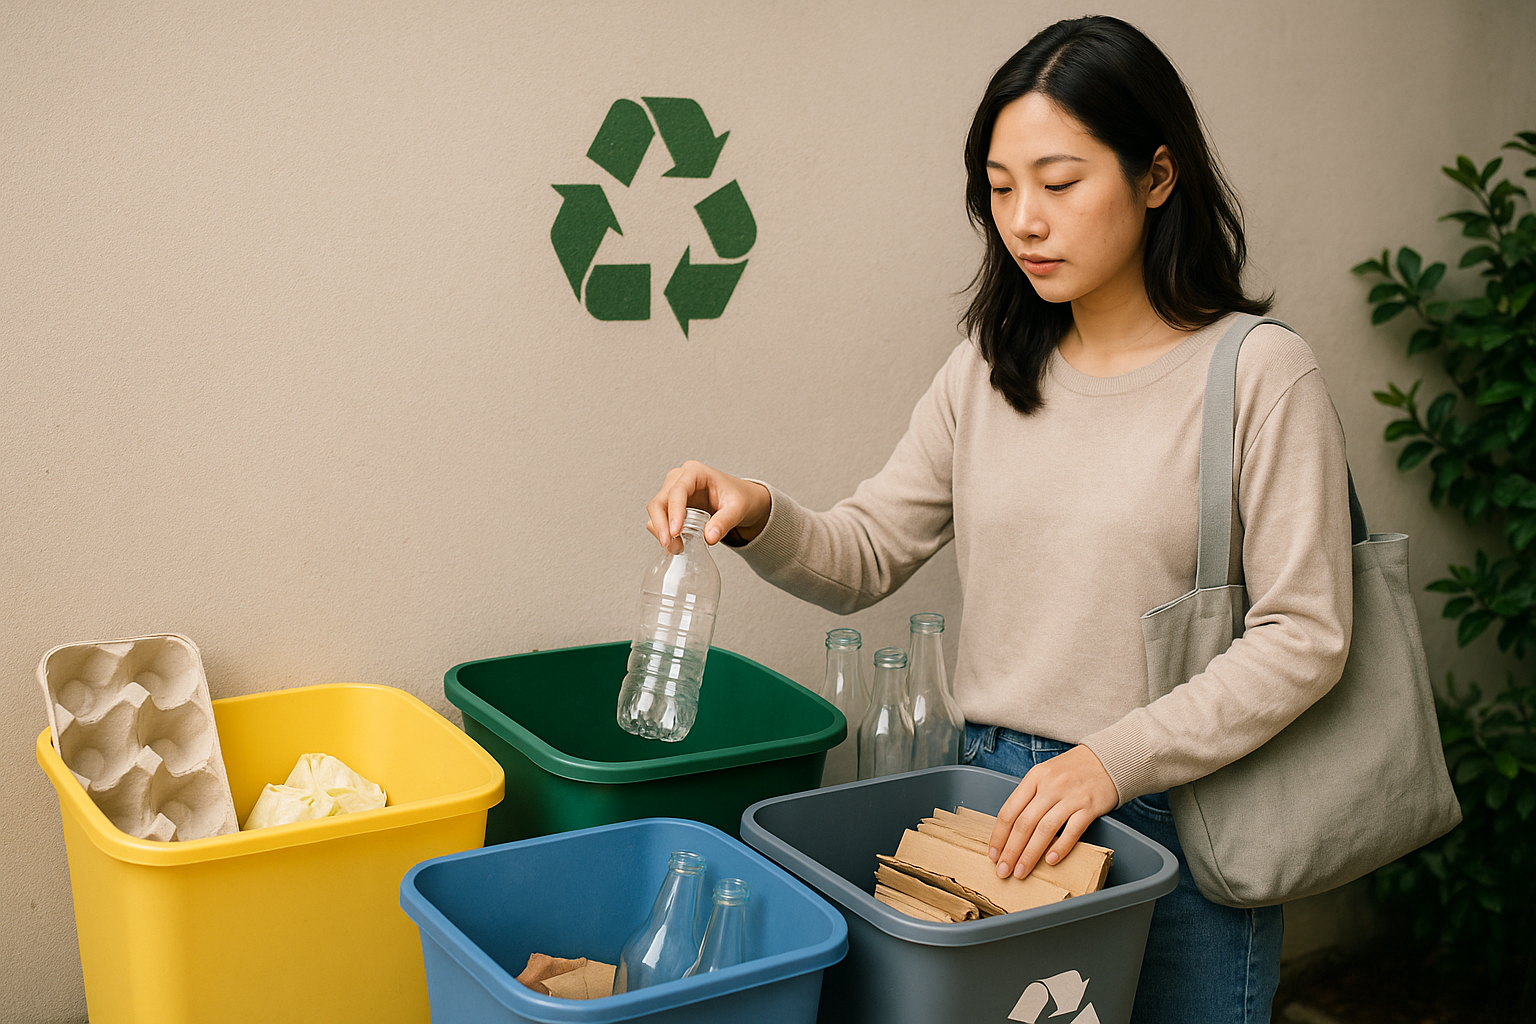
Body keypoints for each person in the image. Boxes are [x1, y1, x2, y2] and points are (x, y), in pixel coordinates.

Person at [644, 15, 1351, 1024]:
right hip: (994, 809)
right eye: (1000, 186)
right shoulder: (987, 370)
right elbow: (868, 550)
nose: (1024, 220)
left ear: (1158, 176)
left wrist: (1112, 761)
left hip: (1185, 821)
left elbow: (1305, 636)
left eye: (1059, 184)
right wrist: (758, 514)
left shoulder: (1258, 374)